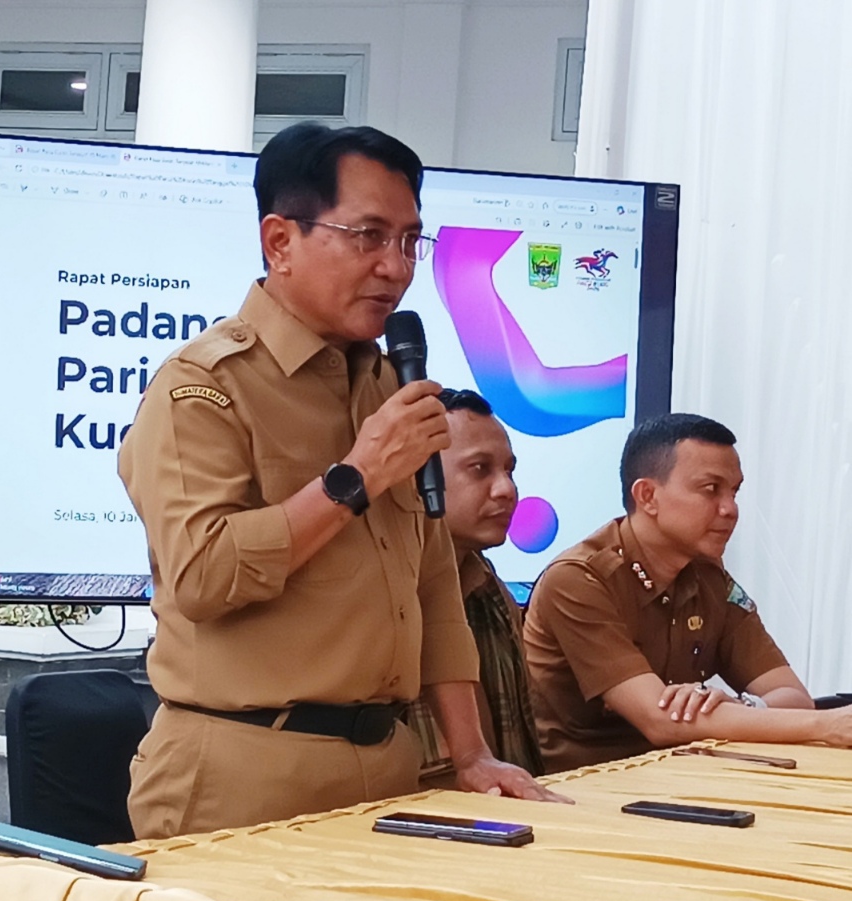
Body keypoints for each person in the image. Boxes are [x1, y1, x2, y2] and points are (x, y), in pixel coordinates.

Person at [117, 122, 563, 840]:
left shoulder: (389, 385)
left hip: (389, 768)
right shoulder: (203, 387)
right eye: (368, 236)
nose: (396, 267)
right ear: (280, 241)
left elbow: (431, 585)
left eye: (410, 241)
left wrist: (471, 752)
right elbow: (202, 575)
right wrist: (355, 478)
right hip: (241, 773)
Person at [524, 413, 852, 770]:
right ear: (648, 496)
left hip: (680, 773)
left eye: (734, 492)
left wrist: (745, 707)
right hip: (580, 783)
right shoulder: (579, 579)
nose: (730, 509)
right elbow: (659, 721)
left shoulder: (707, 576)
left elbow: (794, 697)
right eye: (711, 489)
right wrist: (826, 725)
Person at [405, 389, 543, 783]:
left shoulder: (491, 589)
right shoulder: (389, 593)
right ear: (417, 479)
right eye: (480, 469)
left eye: (509, 471)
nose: (506, 490)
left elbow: (518, 751)